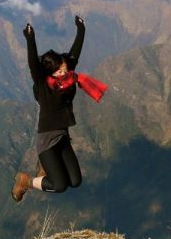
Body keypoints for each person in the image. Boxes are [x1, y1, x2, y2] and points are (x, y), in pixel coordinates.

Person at [12, 15, 108, 202]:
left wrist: (81, 29)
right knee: (59, 185)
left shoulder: (68, 77)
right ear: (50, 72)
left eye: (65, 69)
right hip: (47, 141)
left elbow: (74, 54)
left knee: (75, 181)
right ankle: (26, 181)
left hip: (62, 137)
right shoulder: (42, 83)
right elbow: (33, 63)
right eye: (59, 71)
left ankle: (44, 169)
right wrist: (30, 39)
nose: (64, 73)